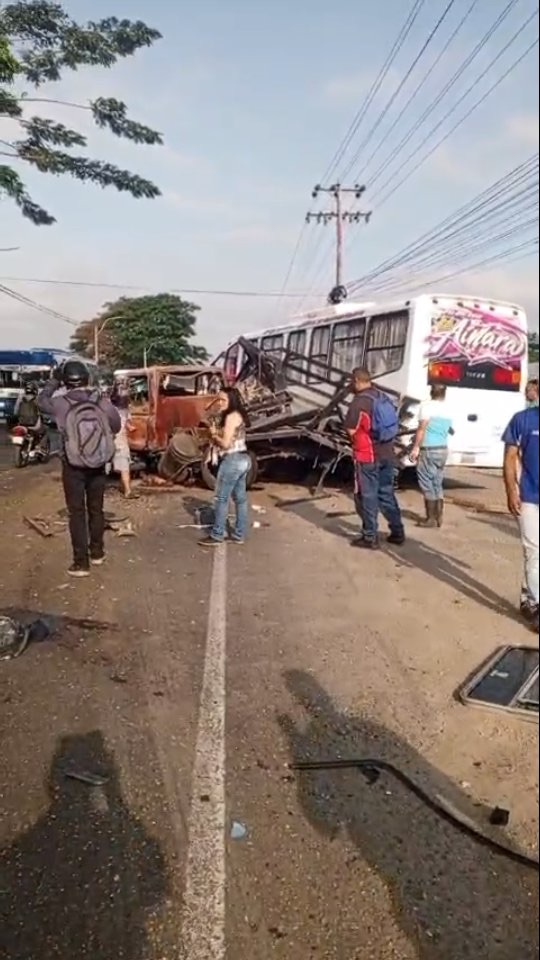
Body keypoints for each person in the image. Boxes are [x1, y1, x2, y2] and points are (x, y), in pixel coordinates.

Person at [39, 360, 120, 577]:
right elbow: (116, 425)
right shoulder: (101, 401)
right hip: (98, 464)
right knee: (96, 510)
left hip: (73, 466)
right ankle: (97, 553)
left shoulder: (59, 403)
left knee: (76, 513)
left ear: (66, 381)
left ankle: (81, 563)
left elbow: (41, 401)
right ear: (87, 378)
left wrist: (54, 380)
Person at [345, 367, 405, 549]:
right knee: (386, 493)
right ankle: (397, 532)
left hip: (367, 456)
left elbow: (351, 430)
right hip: (388, 453)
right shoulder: (382, 397)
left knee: (367, 496)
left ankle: (370, 537)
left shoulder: (359, 402)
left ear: (356, 380)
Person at [502, 401, 539, 631]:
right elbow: (510, 457)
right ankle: (537, 604)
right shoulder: (522, 419)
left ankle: (528, 596)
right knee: (534, 552)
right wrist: (510, 490)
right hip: (529, 496)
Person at [198, 387, 251, 546]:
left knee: (221, 499)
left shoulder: (231, 417)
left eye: (223, 400)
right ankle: (239, 534)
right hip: (244, 458)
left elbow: (226, 444)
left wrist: (214, 434)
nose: (219, 403)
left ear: (231, 401)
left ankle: (217, 535)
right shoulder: (238, 415)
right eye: (218, 399)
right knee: (240, 499)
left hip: (232, 460)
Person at [409, 384, 454, 528]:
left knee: (426, 483)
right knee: (437, 483)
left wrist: (415, 448)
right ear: (444, 394)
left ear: (431, 392)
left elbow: (422, 429)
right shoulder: (448, 408)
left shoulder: (427, 406)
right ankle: (439, 517)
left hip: (428, 448)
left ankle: (431, 519)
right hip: (442, 449)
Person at [110, 382, 134, 498]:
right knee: (124, 466)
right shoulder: (126, 410)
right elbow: (129, 426)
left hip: (108, 440)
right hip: (121, 441)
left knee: (103, 465)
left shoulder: (108, 408)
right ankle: (127, 490)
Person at [14, 382, 47, 446]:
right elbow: (43, 410)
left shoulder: (21, 397)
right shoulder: (38, 398)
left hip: (21, 423)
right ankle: (39, 448)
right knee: (45, 433)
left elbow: (15, 410)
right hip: (35, 425)